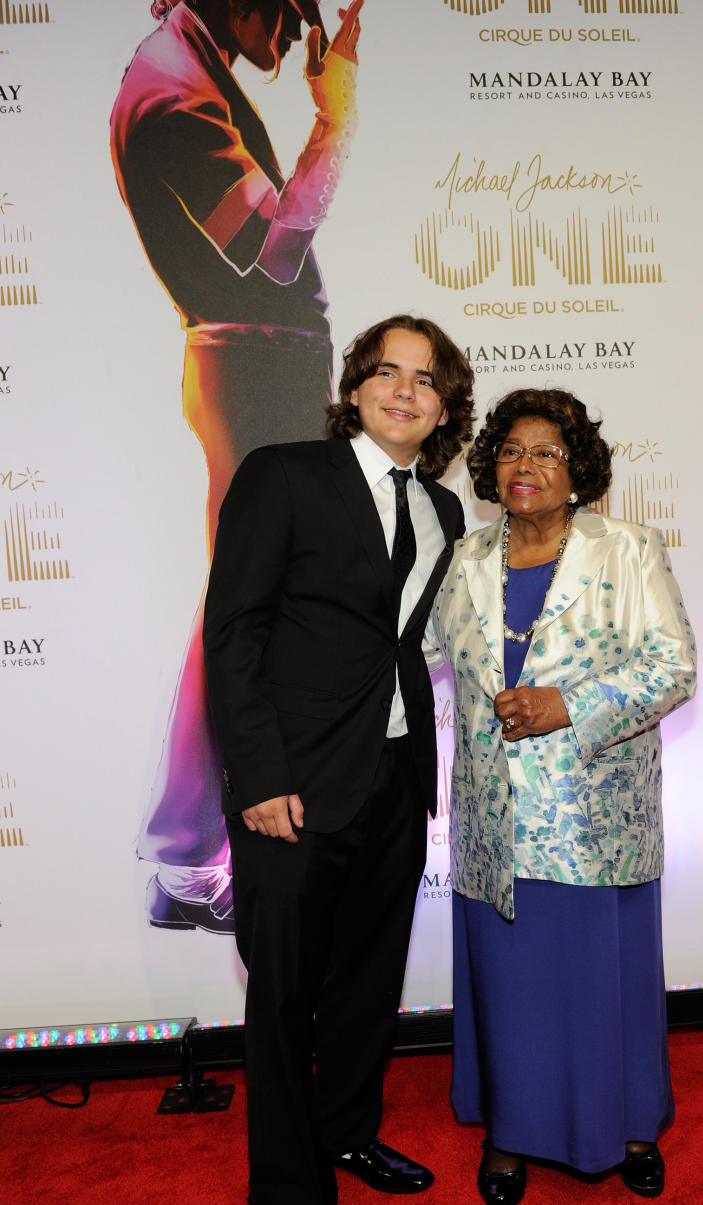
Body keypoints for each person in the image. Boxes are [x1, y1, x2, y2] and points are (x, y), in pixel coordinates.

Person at [202, 315, 474, 1205]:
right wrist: (261, 774)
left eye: (428, 379)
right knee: (282, 992)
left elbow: (398, 644)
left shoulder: (444, 507)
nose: (406, 391)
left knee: (368, 974)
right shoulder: (283, 475)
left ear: (447, 407)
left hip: (396, 779)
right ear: (356, 388)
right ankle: (288, 1195)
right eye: (388, 373)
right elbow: (234, 632)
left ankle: (348, 1131)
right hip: (294, 785)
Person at [111, 0, 363, 932]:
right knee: (241, 611)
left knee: (244, 606)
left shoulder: (182, 71)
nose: (298, 35)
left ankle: (191, 849)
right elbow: (272, 249)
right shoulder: (174, 92)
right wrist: (335, 118)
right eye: (293, 9)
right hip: (250, 374)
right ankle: (186, 854)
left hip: (262, 370)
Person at [429, 388, 696, 1205]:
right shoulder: (463, 558)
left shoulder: (629, 549)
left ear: (578, 470)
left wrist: (568, 704)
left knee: (601, 981)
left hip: (595, 814)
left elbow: (672, 668)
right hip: (494, 819)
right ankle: (512, 1133)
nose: (526, 466)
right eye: (510, 450)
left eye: (547, 452)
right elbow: (419, 655)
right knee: (512, 985)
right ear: (489, 466)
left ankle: (632, 1128)